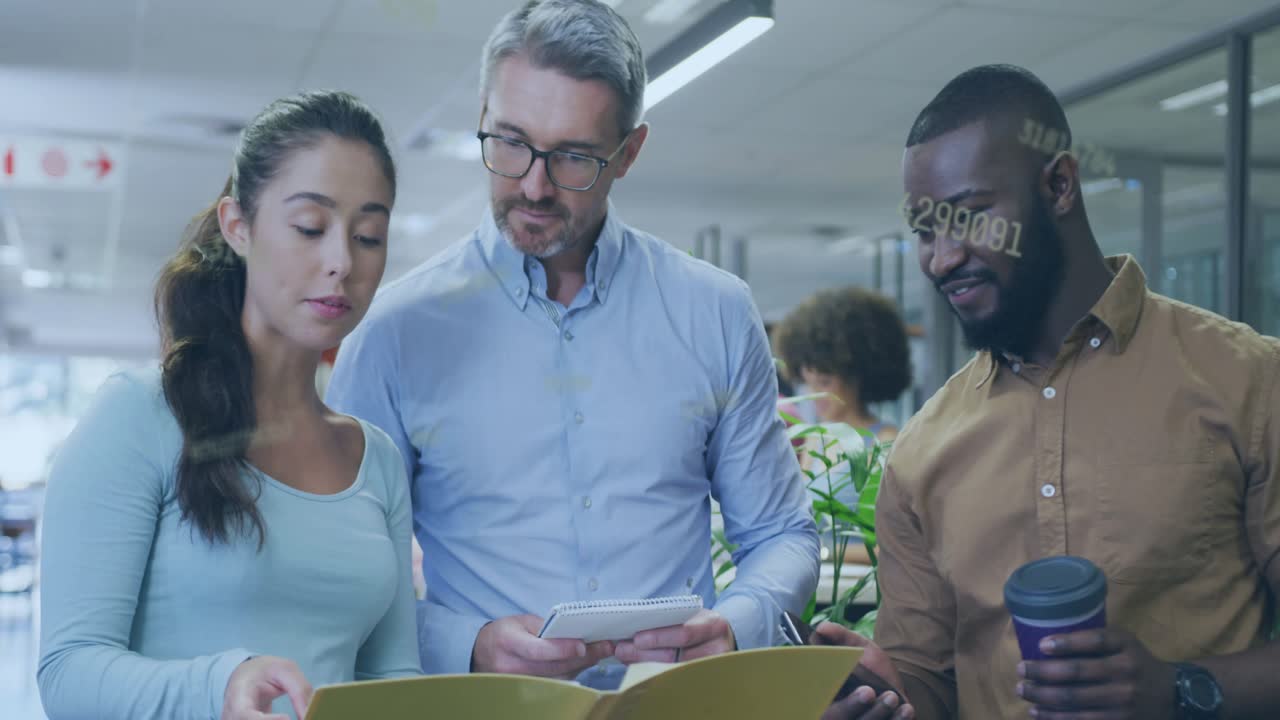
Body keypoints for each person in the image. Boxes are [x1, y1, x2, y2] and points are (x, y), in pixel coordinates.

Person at [326, 0, 819, 680]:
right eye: (510, 142)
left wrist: (737, 626)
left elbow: (780, 534)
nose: (533, 184)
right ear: (481, 118)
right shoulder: (394, 336)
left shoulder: (716, 313)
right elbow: (343, 580)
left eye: (574, 158)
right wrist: (467, 644)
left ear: (629, 153)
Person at [820, 63, 1280, 720]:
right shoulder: (923, 449)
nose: (941, 258)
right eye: (925, 230)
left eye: (969, 216)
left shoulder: (1247, 380)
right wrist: (879, 693)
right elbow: (925, 676)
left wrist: (1179, 689)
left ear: (1060, 185)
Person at [37, 90, 421, 720]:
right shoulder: (140, 415)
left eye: (368, 235)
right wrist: (220, 686)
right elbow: (69, 671)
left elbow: (394, 680)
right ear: (238, 226)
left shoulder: (374, 458)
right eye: (309, 227)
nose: (342, 262)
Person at [773, 287, 912, 564]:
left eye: (824, 382)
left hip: (863, 598)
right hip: (819, 590)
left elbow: (901, 548)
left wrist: (827, 553)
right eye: (807, 382)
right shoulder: (816, 439)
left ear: (857, 374)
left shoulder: (886, 443)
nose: (814, 395)